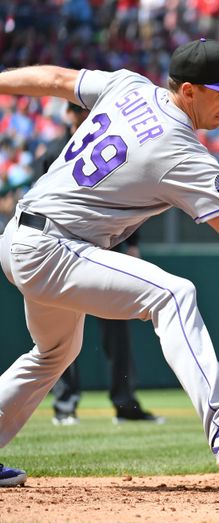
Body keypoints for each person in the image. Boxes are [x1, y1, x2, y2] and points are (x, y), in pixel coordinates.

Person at [0, 38, 219, 484]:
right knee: (173, 294)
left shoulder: (129, 86)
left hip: (21, 236)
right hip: (55, 248)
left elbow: (55, 79)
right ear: (188, 92)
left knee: (55, 352)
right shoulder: (179, 150)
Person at [35, 101, 162, 425]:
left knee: (118, 330)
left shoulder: (111, 142)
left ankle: (126, 405)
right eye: (78, 112)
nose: (83, 117)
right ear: (68, 115)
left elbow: (129, 196)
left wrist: (132, 244)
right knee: (62, 334)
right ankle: (65, 407)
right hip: (62, 249)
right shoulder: (53, 150)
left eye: (88, 112)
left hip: (107, 248)